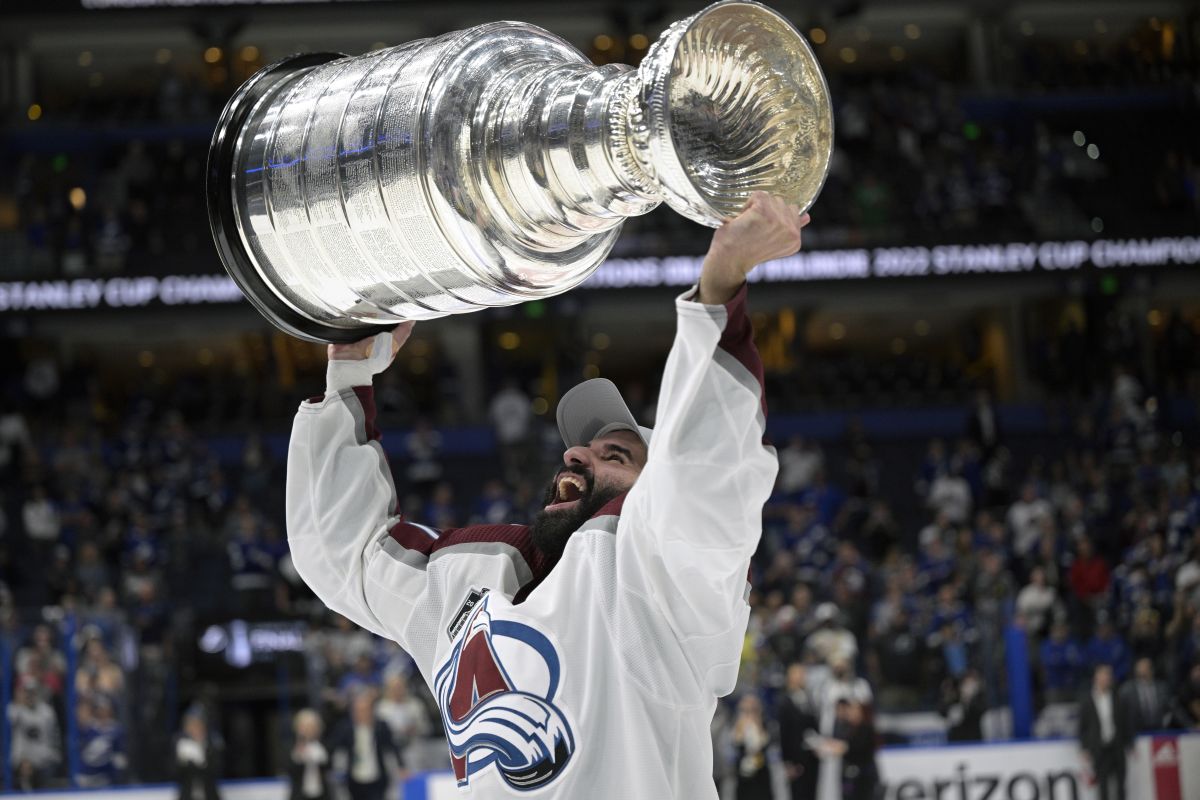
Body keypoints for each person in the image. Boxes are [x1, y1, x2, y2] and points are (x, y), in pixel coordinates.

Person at [285, 193, 807, 798]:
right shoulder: (469, 582)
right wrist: (348, 372)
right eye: (581, 450)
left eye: (617, 455)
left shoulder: (666, 582)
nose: (578, 455)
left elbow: (709, 475)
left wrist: (719, 288)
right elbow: (345, 551)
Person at [330, 692, 402, 800]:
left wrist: (401, 766)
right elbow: (335, 747)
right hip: (354, 778)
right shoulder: (345, 728)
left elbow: (392, 746)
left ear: (372, 711)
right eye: (358, 710)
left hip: (377, 776)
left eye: (365, 710)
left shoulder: (381, 726)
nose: (361, 714)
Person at [1079, 665, 1131, 800]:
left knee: (1121, 785)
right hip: (1099, 748)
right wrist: (1084, 748)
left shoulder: (1117, 697)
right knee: (1103, 787)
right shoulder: (1087, 701)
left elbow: (1125, 722)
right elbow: (1083, 727)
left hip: (1117, 746)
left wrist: (1129, 742)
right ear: (1096, 678)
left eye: (1108, 675)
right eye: (1103, 675)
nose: (1106, 678)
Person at [776, 663, 820, 800]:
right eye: (797, 673)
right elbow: (783, 733)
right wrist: (788, 762)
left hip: (811, 758)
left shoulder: (809, 698)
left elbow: (813, 726)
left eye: (803, 674)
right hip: (795, 760)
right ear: (790, 677)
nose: (802, 677)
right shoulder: (784, 701)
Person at [730, 694, 772, 800]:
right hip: (744, 767)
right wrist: (742, 722)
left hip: (760, 766)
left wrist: (757, 720)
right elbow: (736, 741)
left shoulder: (762, 721)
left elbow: (765, 741)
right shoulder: (738, 722)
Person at [175, 713, 222, 800]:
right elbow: (175, 773)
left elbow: (216, 770)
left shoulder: (211, 746)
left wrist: (202, 754)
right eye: (193, 727)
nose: (196, 730)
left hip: (209, 795)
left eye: (198, 727)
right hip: (188, 795)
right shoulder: (183, 747)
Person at [288, 709, 331, 800]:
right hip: (300, 796)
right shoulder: (291, 748)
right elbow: (289, 770)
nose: (308, 730)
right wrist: (299, 754)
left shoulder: (323, 747)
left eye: (311, 727)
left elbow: (328, 767)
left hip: (322, 795)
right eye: (304, 727)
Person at [1118, 656, 1169, 733]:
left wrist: (1189, 725)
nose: (1141, 669)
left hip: (1157, 732)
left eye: (1144, 666)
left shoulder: (1161, 687)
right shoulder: (1127, 689)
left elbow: (1174, 708)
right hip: (1135, 733)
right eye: (1139, 666)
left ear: (1151, 669)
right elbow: (1120, 712)